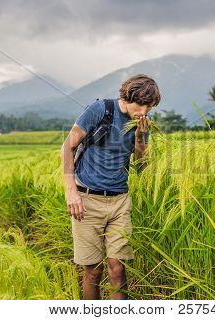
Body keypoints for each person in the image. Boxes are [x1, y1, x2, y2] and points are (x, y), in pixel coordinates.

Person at [60, 74, 161, 299]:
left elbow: (141, 165)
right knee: (93, 272)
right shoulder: (100, 110)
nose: (144, 112)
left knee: (118, 269)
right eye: (140, 104)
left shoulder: (142, 124)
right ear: (127, 96)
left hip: (120, 202)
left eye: (149, 106)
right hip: (87, 202)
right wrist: (71, 191)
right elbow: (67, 146)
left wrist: (141, 137)